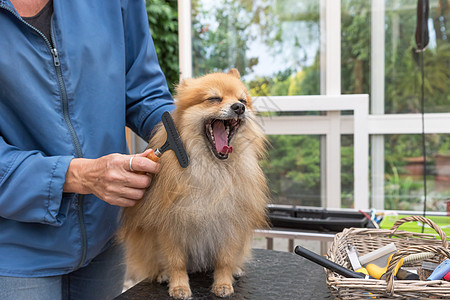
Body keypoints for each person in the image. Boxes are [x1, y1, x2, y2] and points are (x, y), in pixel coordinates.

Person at [0, 0, 175, 299]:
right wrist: (78, 176)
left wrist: (186, 131)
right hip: (15, 253)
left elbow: (143, 89)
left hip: (107, 239)